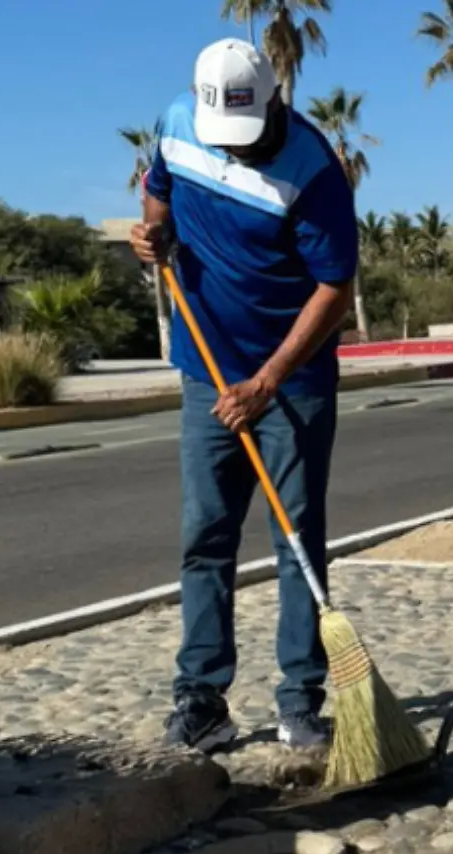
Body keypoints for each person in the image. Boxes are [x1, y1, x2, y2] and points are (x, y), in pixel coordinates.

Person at [130, 39, 359, 753]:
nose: (238, 146)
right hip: (206, 371)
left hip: (291, 381)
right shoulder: (176, 122)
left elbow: (335, 289)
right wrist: (155, 234)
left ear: (274, 102)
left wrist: (268, 381)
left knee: (296, 542)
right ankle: (201, 698)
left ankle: (300, 701)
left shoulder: (313, 169)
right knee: (205, 537)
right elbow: (157, 192)